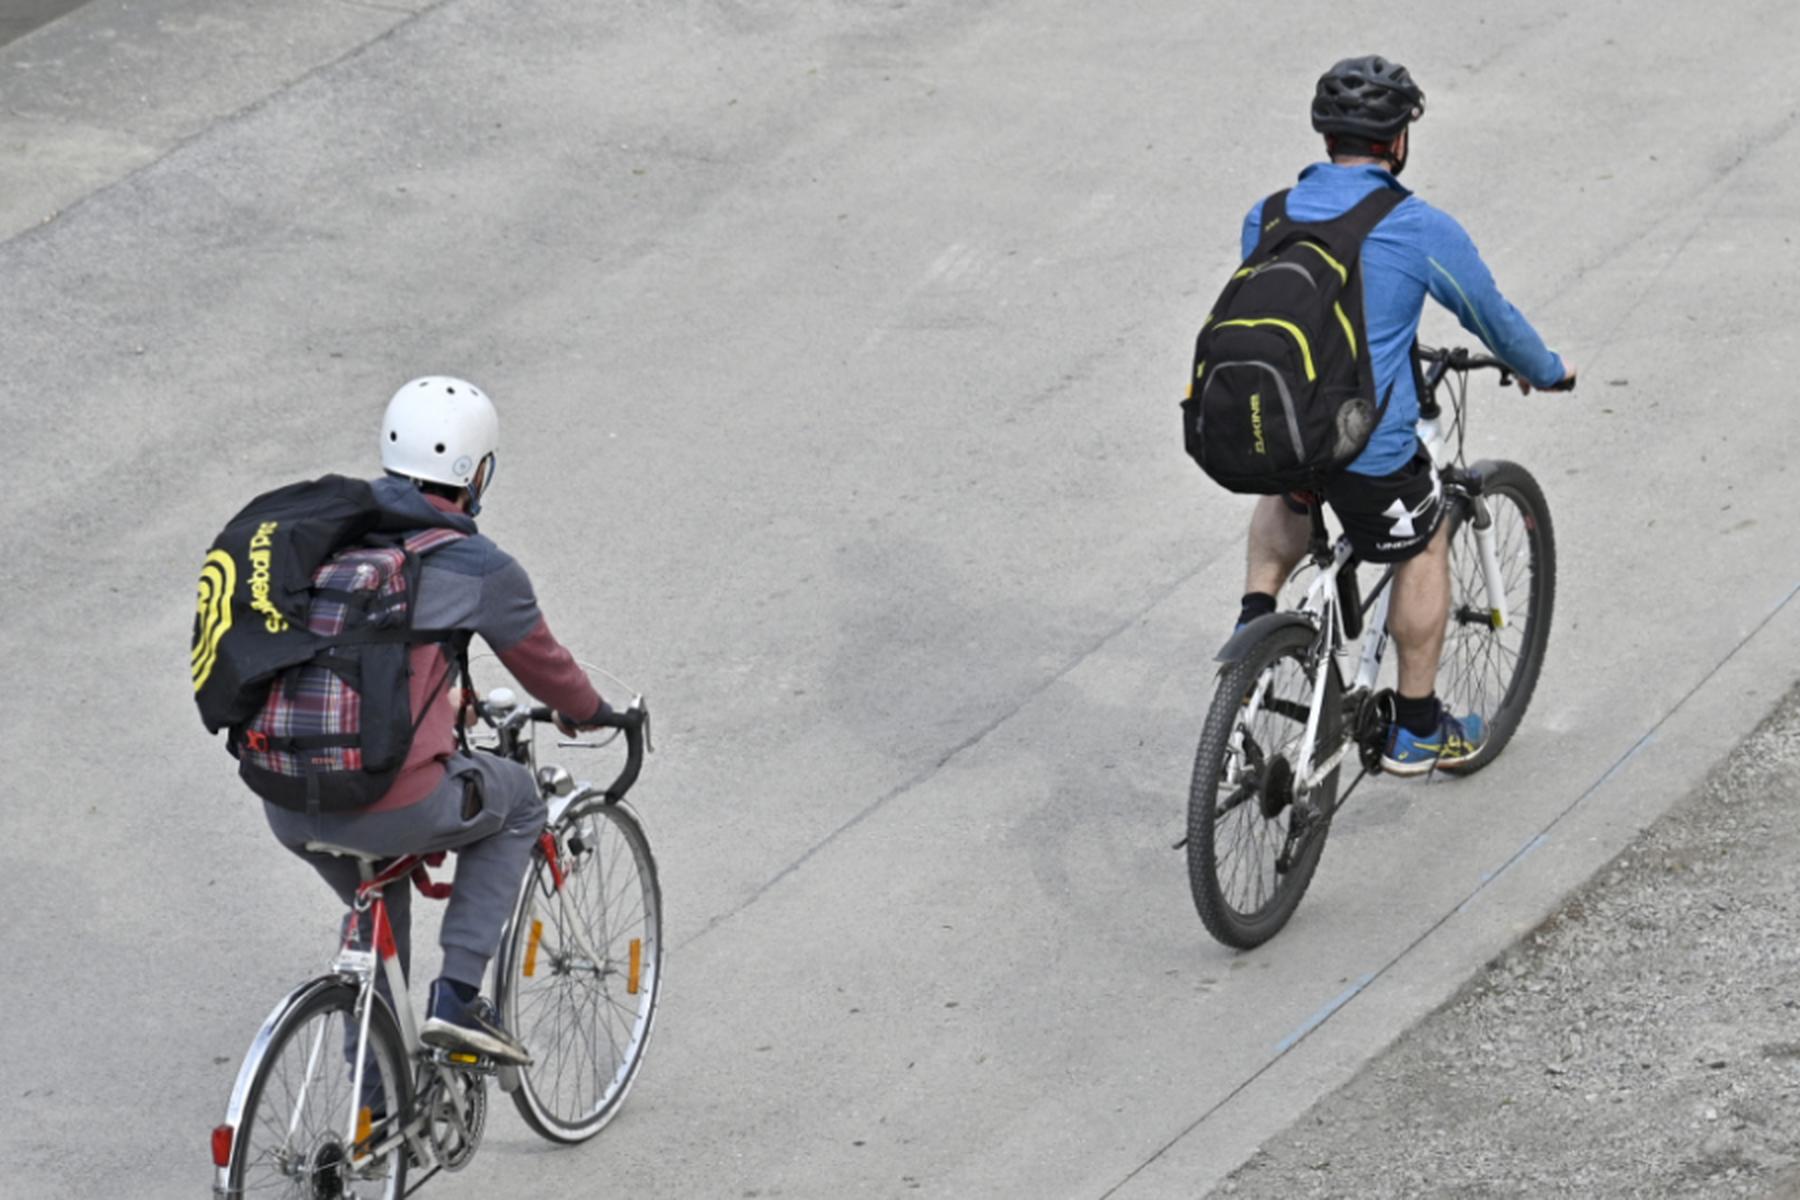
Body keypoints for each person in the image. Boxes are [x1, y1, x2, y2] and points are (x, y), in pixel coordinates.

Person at [1234, 56, 1576, 775]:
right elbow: (1494, 319)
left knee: (1293, 484)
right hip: (1366, 446)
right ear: (1397, 142)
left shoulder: (1266, 214)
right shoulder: (1415, 226)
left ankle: (1254, 623)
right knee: (1422, 540)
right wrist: (1547, 371)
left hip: (1274, 425)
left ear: (1325, 135)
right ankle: (1417, 726)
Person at [262, 375, 610, 1064]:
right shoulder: (477, 565)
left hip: (285, 800)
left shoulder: (330, 537)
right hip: (391, 801)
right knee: (516, 800)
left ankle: (375, 1118)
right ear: (475, 472)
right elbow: (545, 666)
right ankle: (456, 998)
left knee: (377, 912)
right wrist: (596, 714)